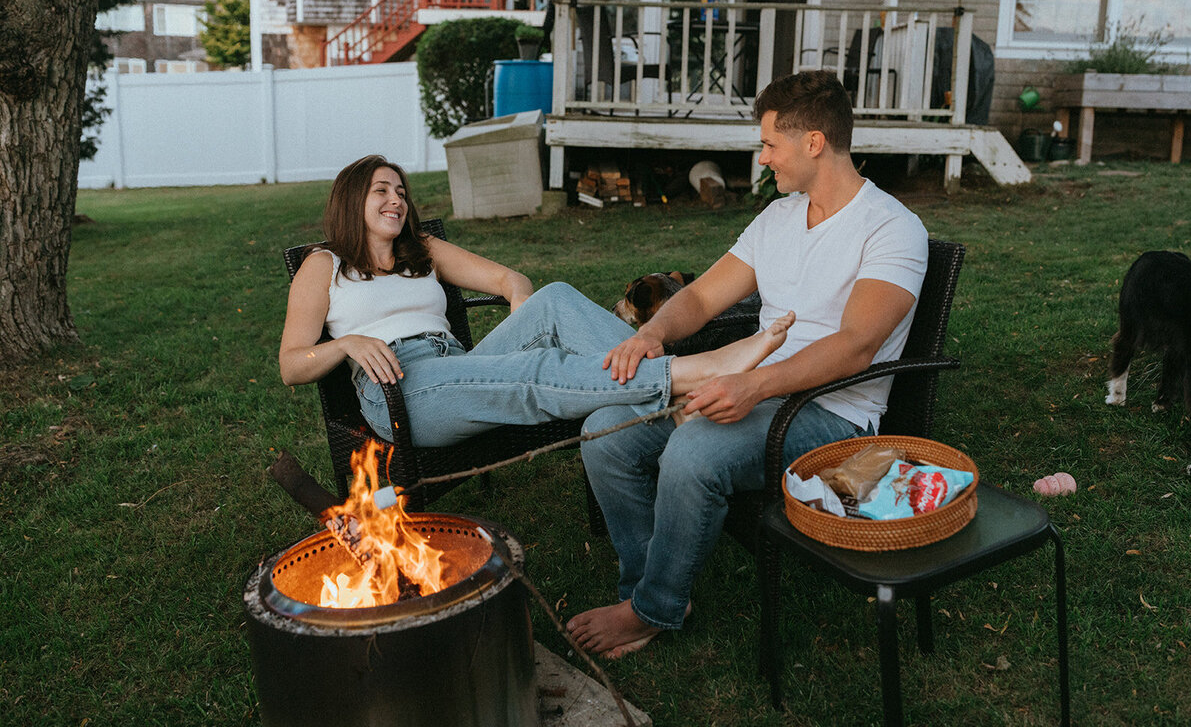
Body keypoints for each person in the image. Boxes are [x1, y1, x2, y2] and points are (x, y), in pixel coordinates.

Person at [567, 71, 929, 659]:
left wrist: (754, 386)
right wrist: (654, 331)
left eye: (770, 144)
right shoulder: (780, 217)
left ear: (814, 142)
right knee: (604, 435)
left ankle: (650, 611)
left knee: (693, 451)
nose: (762, 159)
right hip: (755, 386)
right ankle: (650, 590)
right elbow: (705, 297)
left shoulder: (891, 228)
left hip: (832, 413)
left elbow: (858, 344)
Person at [279, 154, 796, 447]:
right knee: (534, 369)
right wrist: (346, 343)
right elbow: (291, 366)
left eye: (401, 192)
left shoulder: (425, 250)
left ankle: (674, 390)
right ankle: (693, 376)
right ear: (352, 200)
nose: (398, 200)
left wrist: (521, 300)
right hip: (396, 392)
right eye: (381, 192)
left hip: (457, 368)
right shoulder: (323, 265)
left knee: (554, 299)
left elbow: (511, 279)